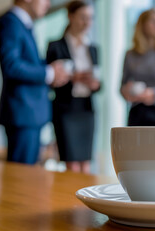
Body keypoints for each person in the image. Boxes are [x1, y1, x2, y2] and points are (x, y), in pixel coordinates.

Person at [0, 0, 69, 164]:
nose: (48, 4)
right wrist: (48, 72)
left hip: (30, 114)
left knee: (26, 176)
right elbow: (11, 65)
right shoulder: (10, 23)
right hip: (23, 112)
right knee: (20, 176)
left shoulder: (24, 25)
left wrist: (52, 74)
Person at [46, 0, 100, 173]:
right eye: (83, 17)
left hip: (86, 109)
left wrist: (94, 84)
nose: (87, 23)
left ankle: (86, 200)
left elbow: (99, 83)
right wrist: (71, 78)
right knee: (72, 164)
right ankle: (71, 198)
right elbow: (48, 81)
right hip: (66, 109)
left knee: (86, 164)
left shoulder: (93, 49)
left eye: (90, 18)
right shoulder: (55, 47)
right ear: (70, 17)